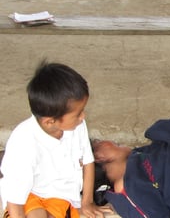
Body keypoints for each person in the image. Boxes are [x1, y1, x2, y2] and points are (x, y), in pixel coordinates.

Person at [0, 61, 112, 218]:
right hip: (29, 196)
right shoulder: (24, 142)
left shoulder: (77, 125)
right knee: (36, 214)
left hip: (59, 198)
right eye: (78, 114)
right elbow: (15, 198)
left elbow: (87, 162)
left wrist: (87, 202)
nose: (83, 117)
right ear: (50, 121)